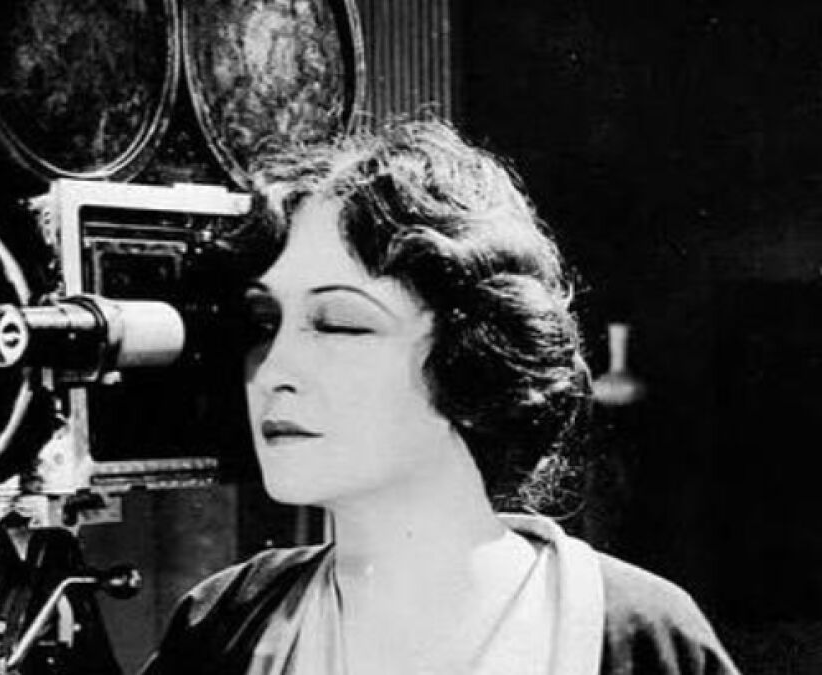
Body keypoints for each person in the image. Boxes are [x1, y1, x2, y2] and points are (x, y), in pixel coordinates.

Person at [140, 118, 739, 674]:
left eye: (339, 324)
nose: (274, 369)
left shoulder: (637, 634)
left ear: (472, 355)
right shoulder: (227, 623)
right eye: (265, 324)